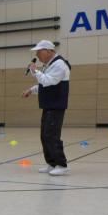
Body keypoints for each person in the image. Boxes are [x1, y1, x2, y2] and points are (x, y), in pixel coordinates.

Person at [22, 40, 71, 176]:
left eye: (39, 52)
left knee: (52, 135)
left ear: (49, 51)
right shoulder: (49, 65)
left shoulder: (59, 64)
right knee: (45, 135)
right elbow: (44, 85)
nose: (37, 55)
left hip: (56, 106)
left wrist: (34, 71)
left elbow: (48, 81)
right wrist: (31, 90)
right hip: (48, 105)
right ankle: (52, 163)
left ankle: (61, 165)